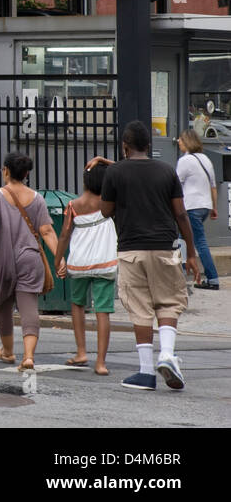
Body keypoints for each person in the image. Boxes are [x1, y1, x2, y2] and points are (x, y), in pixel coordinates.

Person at [92, 121, 202, 391]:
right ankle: (166, 354)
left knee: (140, 306)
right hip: (166, 247)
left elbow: (106, 211)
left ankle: (145, 372)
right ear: (149, 146)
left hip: (131, 249)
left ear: (125, 146)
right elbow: (180, 214)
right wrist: (192, 253)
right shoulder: (167, 171)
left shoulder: (115, 173)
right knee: (169, 301)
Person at [0, 152, 57, 371]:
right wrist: (60, 256)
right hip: (30, 258)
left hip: (3, 258)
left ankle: (8, 351)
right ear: (27, 173)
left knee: (3, 305)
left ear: (5, 171)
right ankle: (28, 356)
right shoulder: (37, 199)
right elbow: (46, 230)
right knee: (29, 307)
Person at [53, 162, 116, 376]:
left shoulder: (73, 205)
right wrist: (105, 161)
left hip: (79, 263)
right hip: (105, 262)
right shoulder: (108, 204)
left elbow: (64, 235)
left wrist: (58, 260)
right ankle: (101, 362)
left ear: (85, 181)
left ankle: (81, 352)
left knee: (77, 305)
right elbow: (124, 168)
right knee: (103, 311)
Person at [176, 129, 220, 290]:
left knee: (198, 241)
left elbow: (176, 184)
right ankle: (180, 273)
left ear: (187, 141)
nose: (178, 142)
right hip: (204, 206)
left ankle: (213, 278)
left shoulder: (185, 160)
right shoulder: (206, 159)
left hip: (191, 206)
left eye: (181, 139)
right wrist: (214, 207)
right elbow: (213, 187)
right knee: (182, 238)